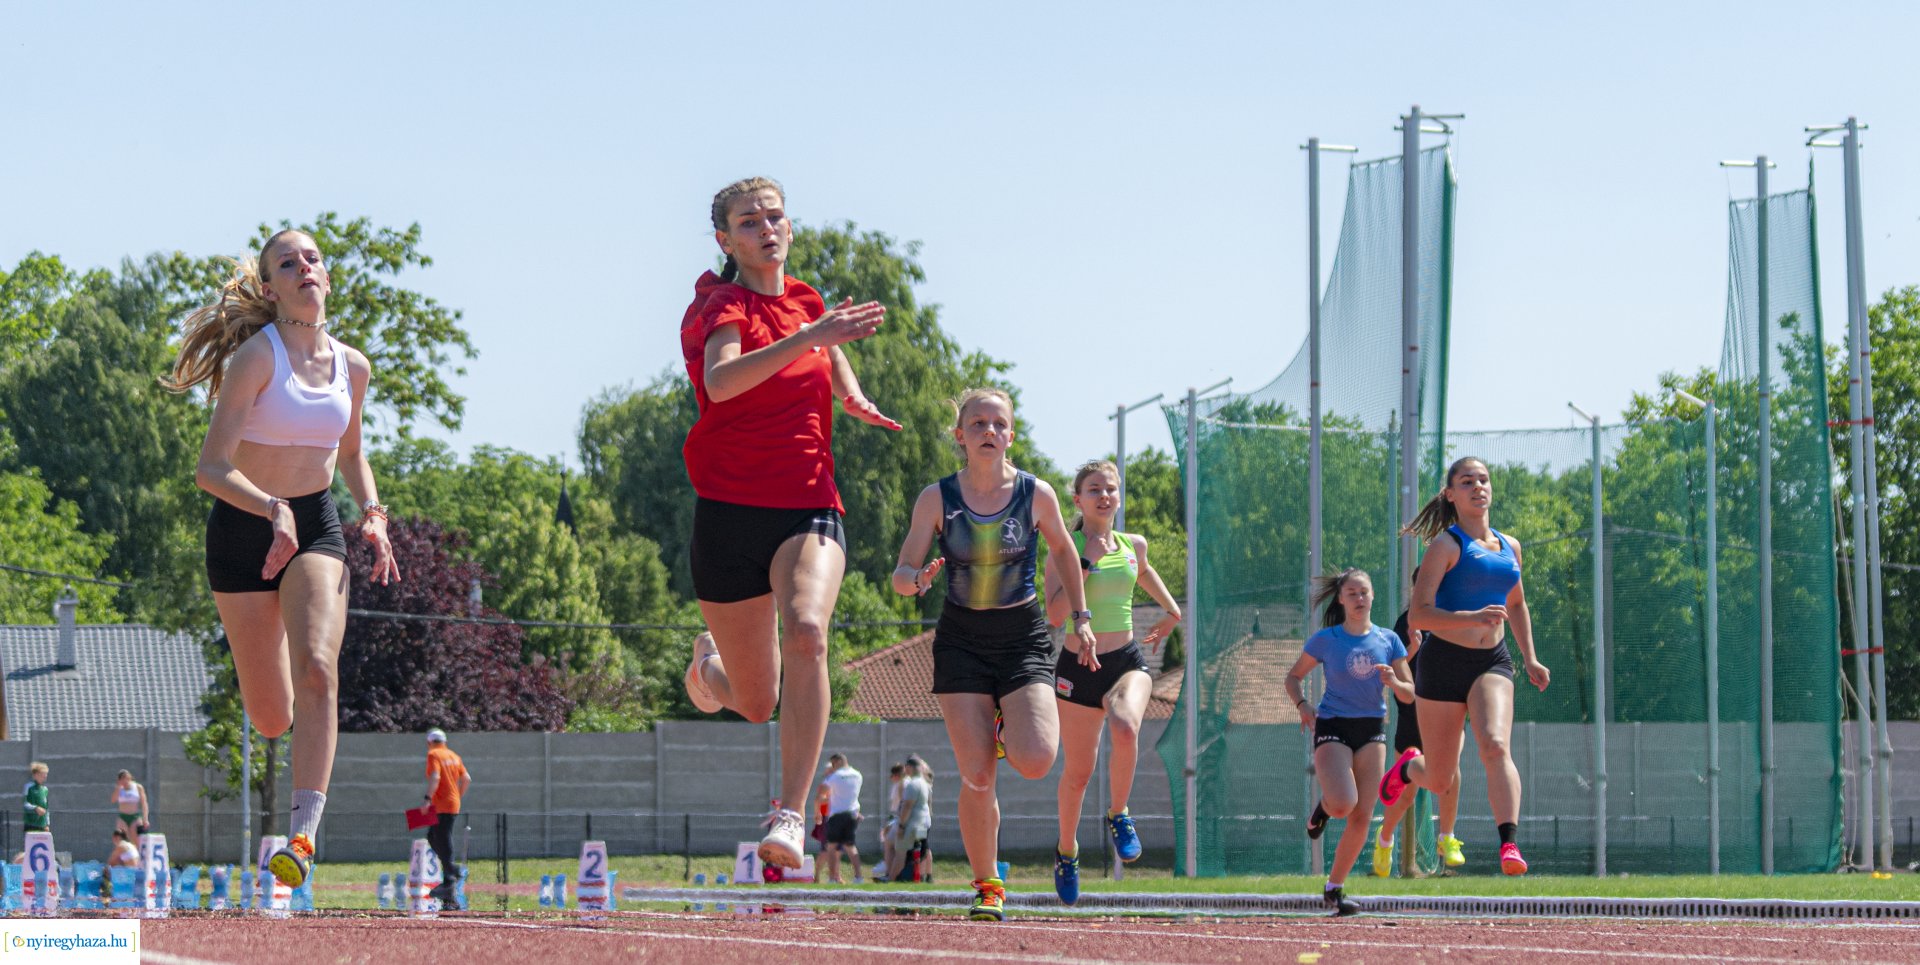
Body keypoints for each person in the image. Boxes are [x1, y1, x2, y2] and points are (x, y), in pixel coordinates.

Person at [164, 228, 401, 890]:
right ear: (270, 289)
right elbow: (211, 468)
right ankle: (290, 713)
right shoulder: (256, 359)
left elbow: (351, 454)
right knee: (272, 716)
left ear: (326, 276)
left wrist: (373, 513)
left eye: (313, 259)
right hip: (244, 530)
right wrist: (271, 508)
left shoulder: (353, 367)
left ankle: (303, 835)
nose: (305, 268)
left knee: (320, 668)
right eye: (288, 263)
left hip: (315, 526)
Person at [677, 176, 900, 870]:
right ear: (725, 239)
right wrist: (813, 335)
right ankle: (707, 668)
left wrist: (852, 394)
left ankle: (791, 812)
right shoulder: (721, 305)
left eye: (775, 217)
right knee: (754, 701)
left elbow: (829, 352)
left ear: (790, 227)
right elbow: (722, 382)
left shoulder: (806, 301)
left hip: (808, 502)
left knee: (807, 631)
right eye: (749, 221)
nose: (766, 228)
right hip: (728, 512)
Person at [892, 388, 1096, 921]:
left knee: (1037, 759)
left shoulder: (1035, 494)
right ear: (960, 435)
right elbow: (901, 573)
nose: (989, 431)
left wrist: (1082, 617)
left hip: (1021, 637)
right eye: (978, 423)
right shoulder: (936, 498)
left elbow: (1064, 552)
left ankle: (1005, 724)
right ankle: (988, 885)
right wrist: (916, 581)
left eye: (998, 423)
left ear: (1011, 435)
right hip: (961, 641)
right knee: (978, 776)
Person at [1378, 457, 1550, 876]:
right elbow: (1419, 615)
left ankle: (1509, 844)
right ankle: (1408, 768)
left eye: (1483, 480)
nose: (1478, 487)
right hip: (1442, 664)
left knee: (1495, 744)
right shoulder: (1445, 546)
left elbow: (1517, 604)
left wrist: (1530, 657)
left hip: (1492, 660)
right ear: (1451, 494)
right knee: (1440, 779)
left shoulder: (1510, 547)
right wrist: (1472, 617)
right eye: (1467, 481)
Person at [1042, 460, 1182, 905]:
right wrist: (1086, 563)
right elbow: (1054, 614)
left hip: (1125, 661)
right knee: (1078, 774)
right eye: (1094, 489)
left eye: (1111, 489)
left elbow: (1143, 570)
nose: (1104, 496)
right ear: (1078, 499)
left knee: (1125, 726)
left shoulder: (1133, 544)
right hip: (1076, 668)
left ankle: (1119, 813)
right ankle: (1067, 852)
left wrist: (1171, 610)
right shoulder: (1063, 549)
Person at [1284, 568, 1409, 916]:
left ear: (1373, 596)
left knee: (1363, 816)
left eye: (1363, 592)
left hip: (1371, 728)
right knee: (1343, 804)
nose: (1358, 598)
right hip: (1333, 724)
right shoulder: (1327, 639)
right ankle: (1325, 809)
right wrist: (1303, 705)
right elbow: (1293, 677)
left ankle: (1334, 889)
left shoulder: (1389, 640)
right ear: (1340, 599)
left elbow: (1410, 693)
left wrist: (1394, 683)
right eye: (1351, 593)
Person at [1371, 609, 1465, 877]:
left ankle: (1447, 836)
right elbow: (1396, 670)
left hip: (1448, 709)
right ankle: (1385, 839)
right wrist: (1414, 648)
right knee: (1406, 795)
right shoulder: (1408, 621)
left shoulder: (1459, 615)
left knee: (1451, 768)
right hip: (1414, 713)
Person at [423, 729, 471, 904]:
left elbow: (435, 777)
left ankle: (450, 878)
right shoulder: (453, 755)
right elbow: (466, 779)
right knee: (433, 836)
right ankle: (452, 870)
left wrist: (427, 798)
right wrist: (457, 796)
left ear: (429, 742)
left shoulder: (433, 754)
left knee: (443, 838)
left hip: (440, 804)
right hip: (451, 803)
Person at [815, 753, 864, 883]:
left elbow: (821, 794)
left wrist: (817, 812)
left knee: (831, 847)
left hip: (836, 814)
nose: (833, 767)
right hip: (852, 814)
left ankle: (832, 878)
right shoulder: (857, 775)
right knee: (850, 846)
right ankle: (859, 877)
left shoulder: (835, 776)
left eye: (833, 764)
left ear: (838, 762)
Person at [894, 756, 933, 883]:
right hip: (924, 823)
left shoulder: (912, 784)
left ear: (909, 767)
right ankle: (919, 877)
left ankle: (895, 878)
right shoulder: (925, 783)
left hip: (913, 824)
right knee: (920, 851)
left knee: (903, 852)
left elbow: (907, 806)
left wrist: (901, 826)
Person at [878, 762, 905, 881]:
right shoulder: (908, 783)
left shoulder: (900, 785)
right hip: (900, 818)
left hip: (900, 818)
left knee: (889, 844)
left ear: (896, 775)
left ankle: (889, 873)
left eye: (892, 775)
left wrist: (892, 823)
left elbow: (898, 807)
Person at [110, 770, 150, 849]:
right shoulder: (119, 788)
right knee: (121, 841)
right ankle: (124, 856)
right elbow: (113, 800)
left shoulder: (137, 787)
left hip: (134, 817)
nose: (125, 782)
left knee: (136, 842)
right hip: (123, 817)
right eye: (122, 779)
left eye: (126, 779)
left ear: (130, 778)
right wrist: (118, 788)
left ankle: (137, 856)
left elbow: (144, 803)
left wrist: (145, 819)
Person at [22, 762, 49, 835]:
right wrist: (35, 808)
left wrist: (47, 824)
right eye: (43, 774)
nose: (45, 776)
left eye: (46, 774)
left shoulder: (45, 789)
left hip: (42, 825)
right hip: (30, 823)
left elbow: (46, 808)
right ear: (35, 775)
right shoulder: (28, 787)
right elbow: (25, 803)